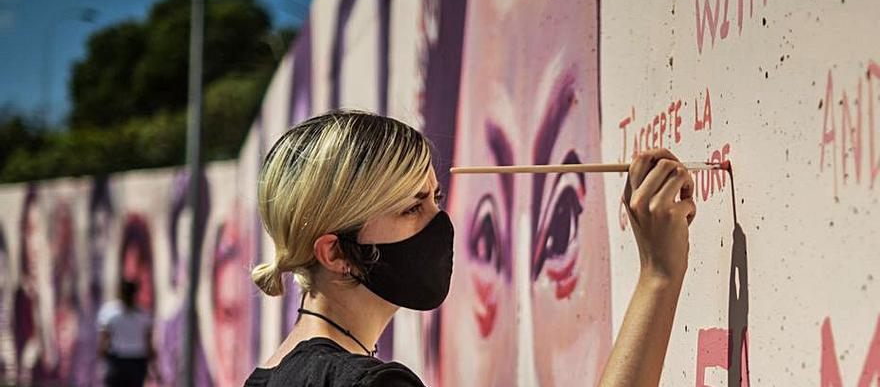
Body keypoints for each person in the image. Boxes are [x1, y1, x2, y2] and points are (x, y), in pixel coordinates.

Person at [244, 110, 696, 386]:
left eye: (435, 198)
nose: (439, 222)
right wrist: (659, 276)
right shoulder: (364, 383)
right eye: (411, 208)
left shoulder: (269, 376)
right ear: (336, 253)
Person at [97, 280, 157, 387]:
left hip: (119, 360)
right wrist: (153, 362)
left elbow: (104, 340)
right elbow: (148, 343)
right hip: (135, 360)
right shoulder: (144, 315)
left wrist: (101, 358)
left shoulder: (110, 313)